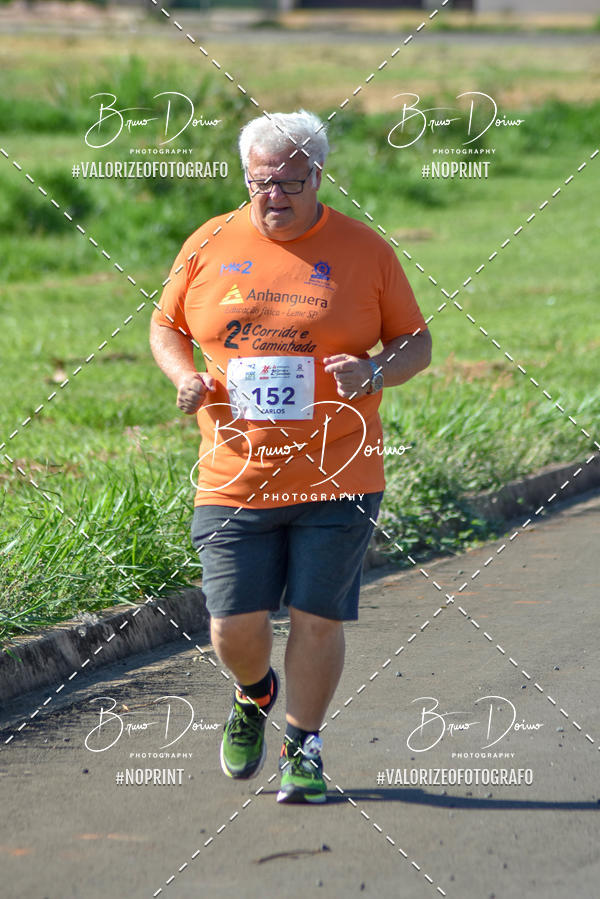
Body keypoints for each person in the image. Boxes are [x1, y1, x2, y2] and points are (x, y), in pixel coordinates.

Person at [149, 109, 431, 804]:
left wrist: (373, 372)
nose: (272, 195)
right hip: (234, 473)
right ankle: (255, 692)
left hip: (341, 473)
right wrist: (183, 376)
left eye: (289, 181)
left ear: (318, 175)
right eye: (259, 183)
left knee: (317, 614)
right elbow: (165, 323)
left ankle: (303, 745)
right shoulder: (211, 240)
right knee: (231, 625)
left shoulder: (365, 249)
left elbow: (416, 343)